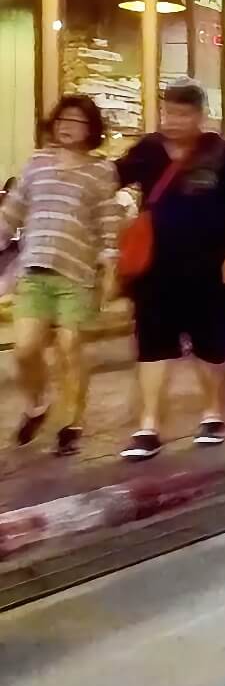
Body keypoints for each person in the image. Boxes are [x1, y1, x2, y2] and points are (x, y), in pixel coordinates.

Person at [115, 82, 225, 458]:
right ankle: (148, 426)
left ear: (199, 116)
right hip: (155, 268)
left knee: (211, 346)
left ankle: (212, 413)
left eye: (182, 114)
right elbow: (109, 179)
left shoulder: (223, 154)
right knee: (151, 345)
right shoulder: (147, 150)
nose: (173, 120)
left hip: (210, 267)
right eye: (168, 112)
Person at [0, 96, 122, 456]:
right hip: (35, 268)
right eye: (62, 119)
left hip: (77, 273)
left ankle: (72, 422)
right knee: (24, 349)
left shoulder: (100, 171)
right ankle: (37, 405)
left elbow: (108, 223)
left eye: (78, 121)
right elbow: (12, 212)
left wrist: (110, 267)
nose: (68, 126)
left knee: (70, 347)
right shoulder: (37, 162)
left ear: (92, 129)